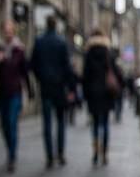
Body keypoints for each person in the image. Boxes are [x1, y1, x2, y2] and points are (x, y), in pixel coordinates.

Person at [31, 16, 74, 168]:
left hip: (46, 87)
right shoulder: (61, 42)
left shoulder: (39, 42)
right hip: (59, 88)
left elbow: (33, 64)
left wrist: (41, 77)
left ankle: (49, 156)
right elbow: (68, 67)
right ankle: (60, 153)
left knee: (47, 123)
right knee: (61, 121)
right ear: (56, 26)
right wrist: (70, 87)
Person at [0, 21, 33, 172]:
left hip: (15, 91)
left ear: (14, 33)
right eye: (6, 31)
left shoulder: (19, 50)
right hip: (1, 92)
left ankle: (12, 156)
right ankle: (10, 148)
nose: (8, 33)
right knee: (4, 125)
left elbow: (25, 72)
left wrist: (29, 91)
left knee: (12, 122)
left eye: (10, 31)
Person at [82, 28, 117, 166]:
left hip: (93, 93)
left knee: (95, 123)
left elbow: (85, 76)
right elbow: (114, 72)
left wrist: (85, 94)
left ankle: (96, 151)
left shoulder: (89, 53)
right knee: (106, 122)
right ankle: (105, 153)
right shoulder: (108, 53)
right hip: (107, 93)